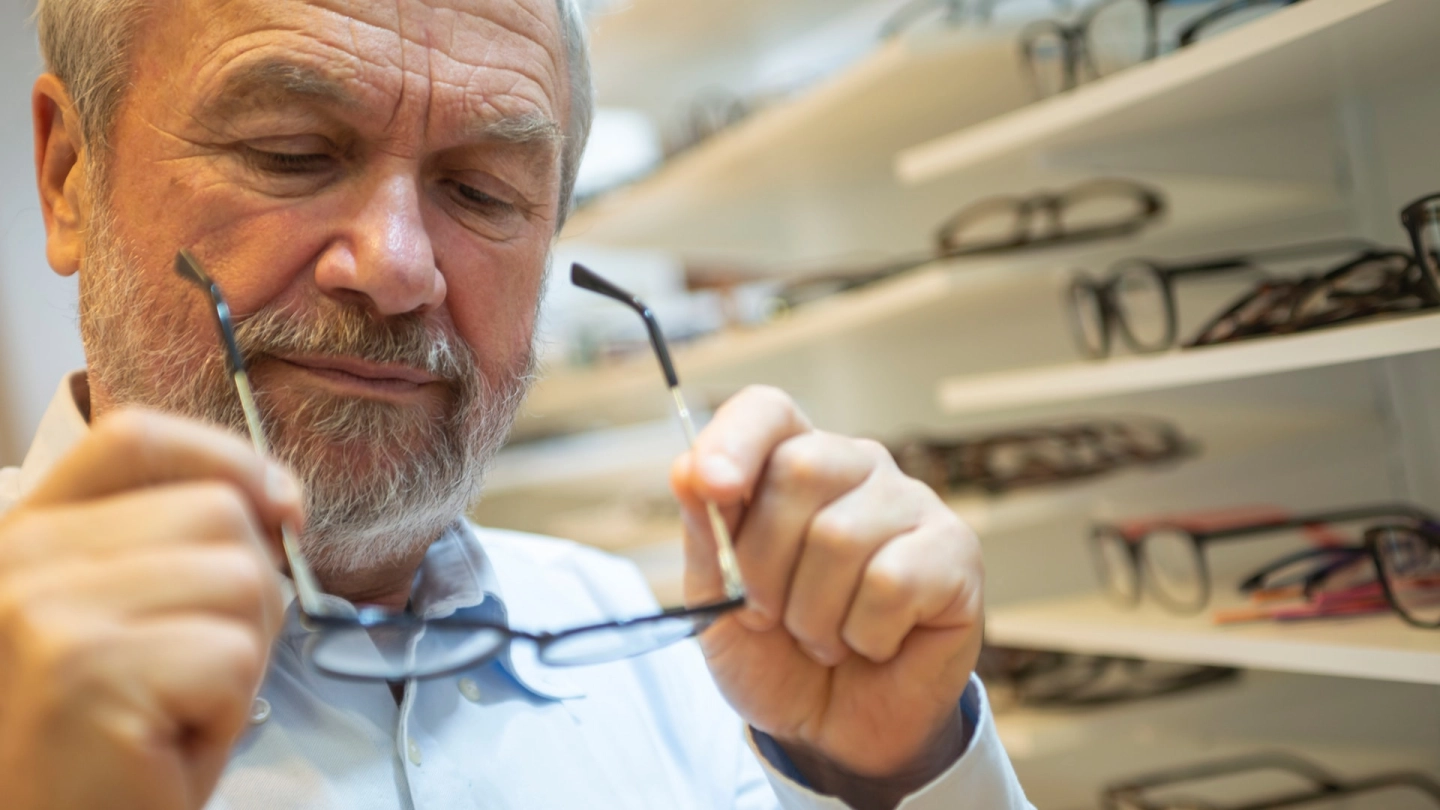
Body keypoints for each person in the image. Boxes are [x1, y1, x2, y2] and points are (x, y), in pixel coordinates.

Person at [0, 0, 1032, 808]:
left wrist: (886, 774)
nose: (397, 267)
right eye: (291, 154)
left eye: (482, 191)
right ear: (67, 177)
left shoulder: (678, 662)